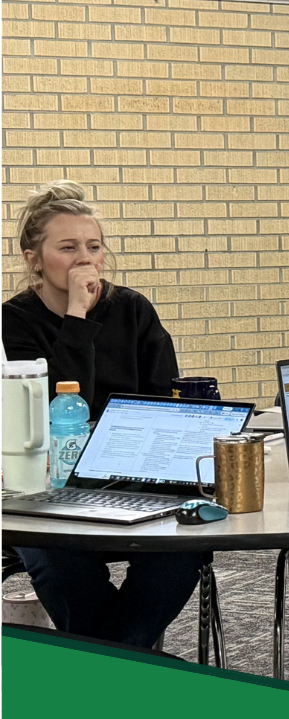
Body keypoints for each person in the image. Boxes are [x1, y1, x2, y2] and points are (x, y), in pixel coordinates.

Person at [3, 180, 208, 649]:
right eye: (68, 247)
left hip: (135, 479)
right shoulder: (13, 322)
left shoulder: (132, 309)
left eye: (93, 247)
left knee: (187, 545)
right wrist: (76, 316)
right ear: (33, 257)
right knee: (57, 557)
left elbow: (165, 401)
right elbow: (56, 406)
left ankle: (111, 659)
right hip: (48, 488)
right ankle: (128, 661)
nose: (85, 260)